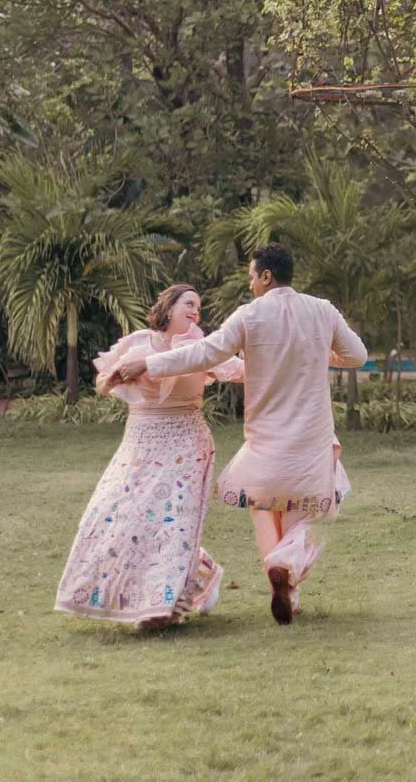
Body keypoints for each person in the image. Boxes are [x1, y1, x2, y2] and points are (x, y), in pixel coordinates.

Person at [111, 242, 366, 625]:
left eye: (251, 277)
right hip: (312, 435)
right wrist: (320, 352)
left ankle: (281, 578)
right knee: (300, 508)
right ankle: (287, 571)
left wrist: (148, 363)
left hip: (266, 436)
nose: (250, 285)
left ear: (266, 276)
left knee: (263, 506)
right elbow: (357, 356)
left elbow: (204, 353)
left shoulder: (250, 316)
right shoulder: (322, 310)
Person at [54, 284, 244, 630]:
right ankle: (201, 574)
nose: (195, 311)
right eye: (189, 304)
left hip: (187, 442)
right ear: (168, 307)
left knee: (174, 521)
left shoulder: (202, 347)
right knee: (122, 516)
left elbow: (241, 371)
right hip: (139, 443)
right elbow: (102, 384)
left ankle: (161, 608)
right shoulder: (138, 342)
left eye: (198, 307)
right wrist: (114, 378)